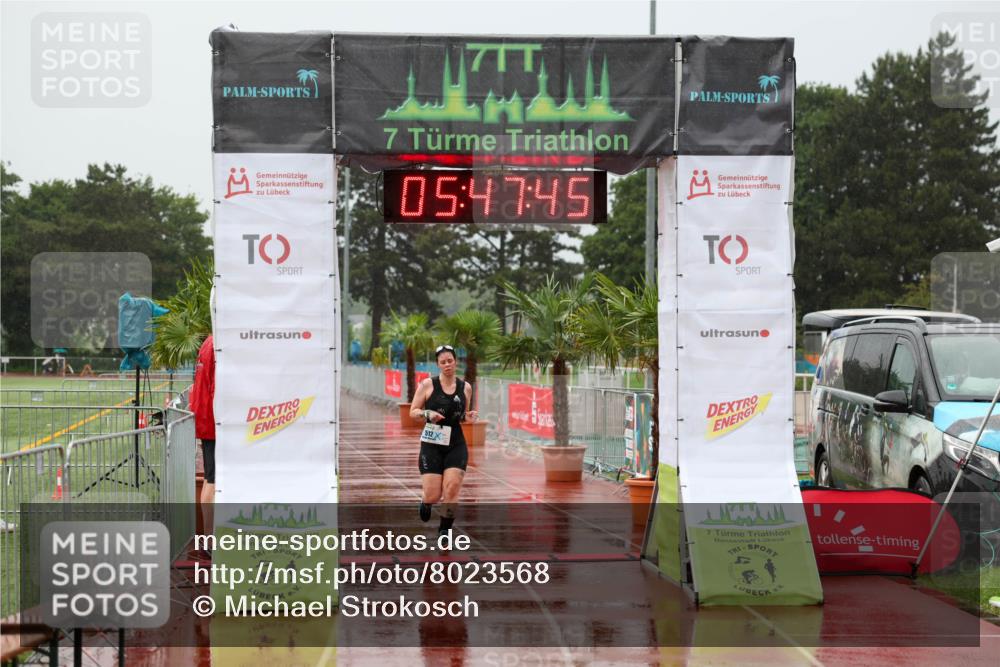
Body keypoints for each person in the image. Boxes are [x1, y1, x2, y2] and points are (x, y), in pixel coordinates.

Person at [409, 344, 478, 537]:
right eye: (443, 362)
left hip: (455, 443)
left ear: (456, 362)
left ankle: (445, 530)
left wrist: (467, 417)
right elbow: (412, 412)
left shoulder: (466, 388)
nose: (447, 365)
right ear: (438, 365)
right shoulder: (427, 385)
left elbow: (461, 416)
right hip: (432, 444)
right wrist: (426, 413)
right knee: (434, 494)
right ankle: (426, 502)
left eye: (450, 361)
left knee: (452, 488)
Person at [189, 334, 215, 552]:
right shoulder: (219, 344)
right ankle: (210, 539)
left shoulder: (209, 342)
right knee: (214, 480)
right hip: (215, 422)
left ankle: (208, 537)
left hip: (206, 419)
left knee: (210, 477)